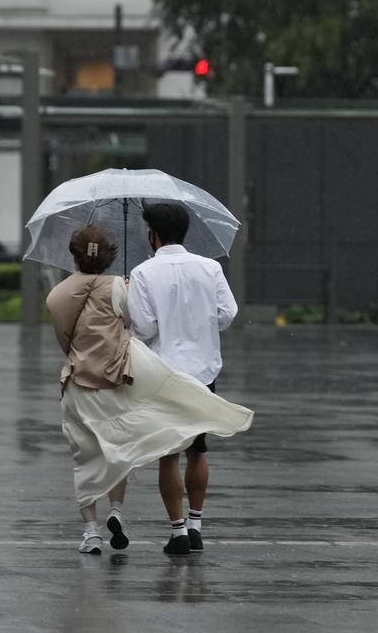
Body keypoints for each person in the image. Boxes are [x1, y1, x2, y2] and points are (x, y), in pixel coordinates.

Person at [46, 224, 252, 555]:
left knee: (86, 456)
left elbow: (64, 342)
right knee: (123, 450)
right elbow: (137, 324)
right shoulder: (121, 286)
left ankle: (92, 532)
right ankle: (147, 515)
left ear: (74, 255)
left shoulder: (56, 296)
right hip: (125, 377)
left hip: (78, 382)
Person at [128, 202, 238, 556]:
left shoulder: (144, 273)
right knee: (198, 449)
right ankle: (196, 526)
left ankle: (177, 533)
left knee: (168, 454)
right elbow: (227, 314)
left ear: (153, 233)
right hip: (205, 369)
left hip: (165, 372)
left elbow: (143, 328)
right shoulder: (210, 267)